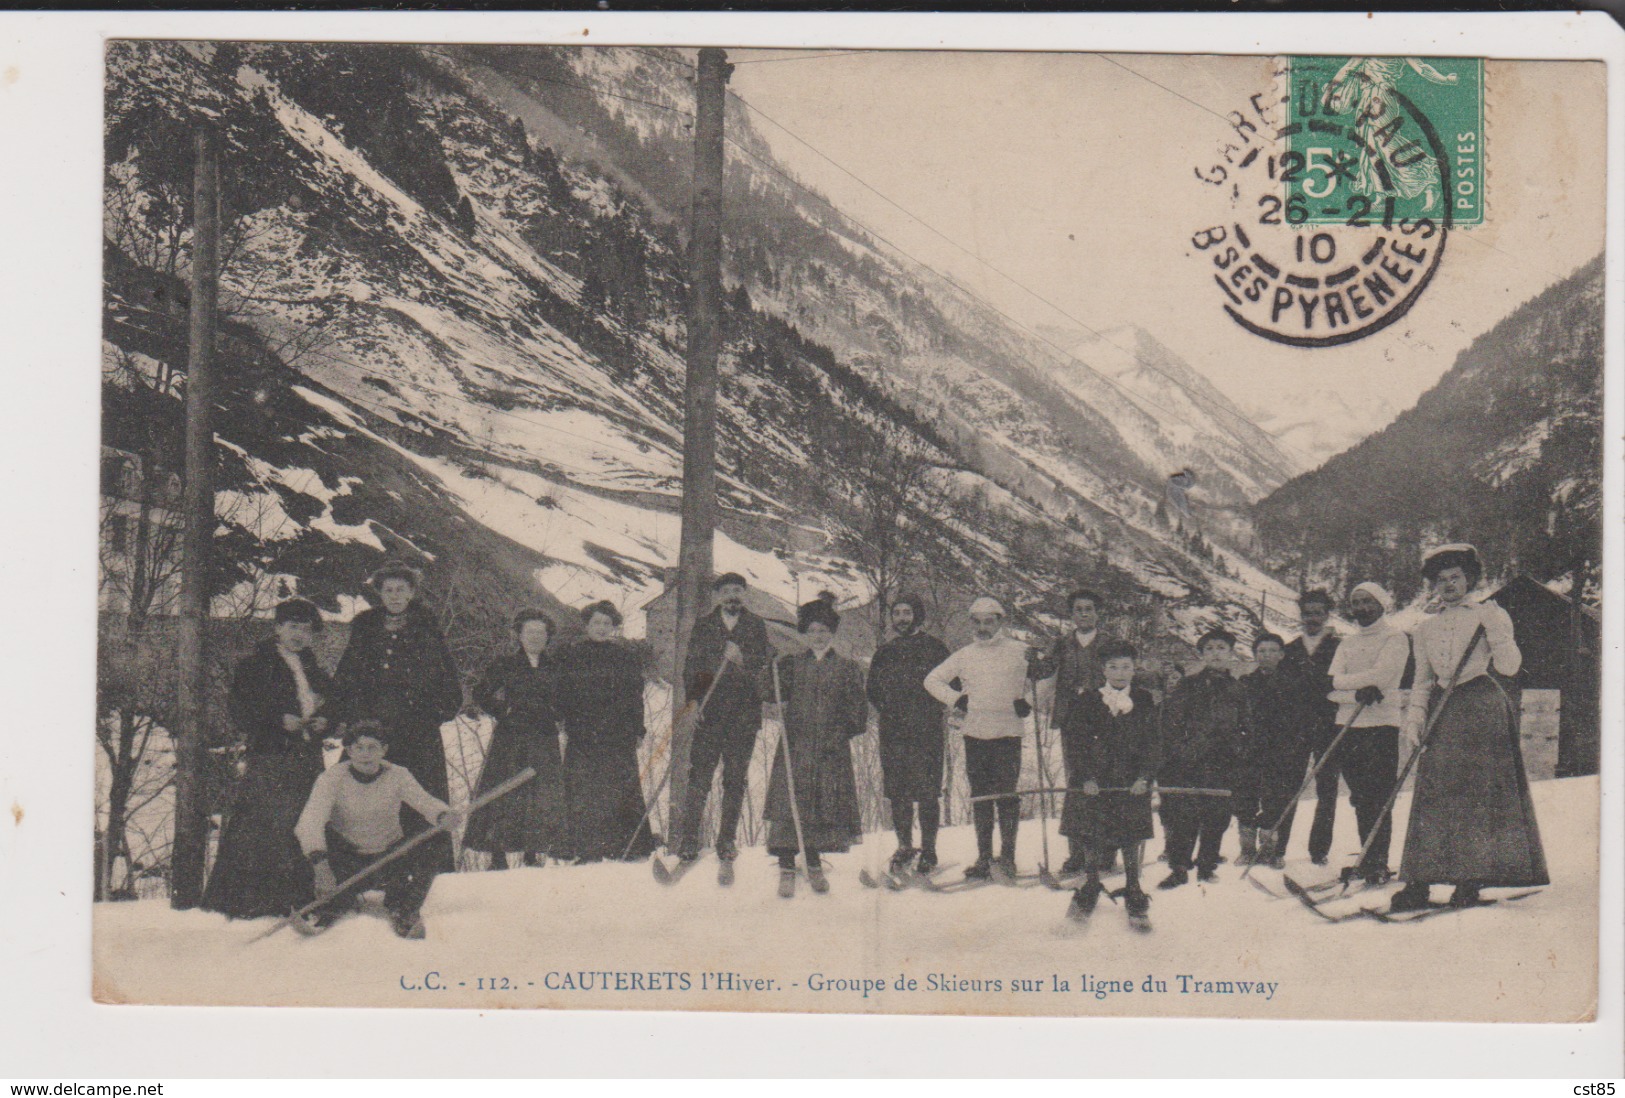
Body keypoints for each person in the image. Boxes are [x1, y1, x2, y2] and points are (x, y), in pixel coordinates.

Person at [1391, 545, 1547, 912]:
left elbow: (1509, 667)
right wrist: (1414, 718)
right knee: (1433, 789)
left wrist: (1497, 629)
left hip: (1480, 704)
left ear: (1469, 579)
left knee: (1475, 792)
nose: (1448, 585)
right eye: (1441, 579)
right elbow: (1423, 681)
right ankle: (1419, 880)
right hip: (1442, 710)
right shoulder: (1425, 628)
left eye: (1455, 577)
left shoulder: (1488, 615)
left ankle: (1469, 878)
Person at [202, 598, 332, 919]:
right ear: (277, 628)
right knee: (264, 828)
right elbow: (240, 711)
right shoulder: (255, 665)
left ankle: (303, 900)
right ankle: (254, 905)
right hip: (271, 758)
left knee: (306, 825)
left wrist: (325, 719)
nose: (299, 635)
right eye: (292, 627)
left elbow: (334, 702)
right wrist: (277, 720)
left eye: (305, 629)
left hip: (308, 760)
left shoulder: (313, 668)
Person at [330, 562, 463, 873]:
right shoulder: (364, 628)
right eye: (387, 590)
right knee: (357, 800)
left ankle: (419, 879)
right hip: (371, 732)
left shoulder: (427, 628)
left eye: (401, 589)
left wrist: (433, 714)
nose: (394, 596)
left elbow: (448, 682)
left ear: (412, 592)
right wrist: (353, 718)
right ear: (379, 594)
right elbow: (346, 676)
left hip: (417, 733)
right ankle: (353, 876)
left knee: (419, 802)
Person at [294, 720, 460, 939]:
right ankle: (328, 909)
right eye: (358, 748)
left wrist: (443, 815)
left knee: (437, 838)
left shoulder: (398, 775)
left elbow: (425, 802)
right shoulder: (332, 779)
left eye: (373, 747)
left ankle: (405, 910)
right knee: (309, 848)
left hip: (389, 858)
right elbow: (310, 822)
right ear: (349, 751)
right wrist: (321, 866)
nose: (366, 754)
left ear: (384, 750)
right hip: (347, 860)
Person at [762, 596, 868, 896]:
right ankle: (785, 863)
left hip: (829, 749)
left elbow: (858, 712)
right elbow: (769, 692)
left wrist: (840, 733)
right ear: (804, 634)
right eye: (812, 631)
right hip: (796, 745)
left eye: (823, 631)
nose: (818, 636)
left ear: (831, 633)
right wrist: (769, 667)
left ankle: (812, 861)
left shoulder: (847, 668)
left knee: (818, 804)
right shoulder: (792, 664)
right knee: (789, 798)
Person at [924, 596, 1035, 881]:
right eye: (978, 622)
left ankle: (1007, 858)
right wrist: (956, 699)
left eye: (989, 621)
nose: (983, 627)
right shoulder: (965, 654)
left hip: (1008, 732)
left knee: (1006, 796)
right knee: (981, 797)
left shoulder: (1020, 651)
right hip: (975, 733)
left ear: (1001, 622)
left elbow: (1045, 677)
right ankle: (984, 858)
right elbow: (932, 679)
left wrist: (1030, 701)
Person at [673, 573, 772, 865]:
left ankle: (726, 840)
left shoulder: (756, 625)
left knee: (735, 779)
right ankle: (690, 839)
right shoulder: (704, 626)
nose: (733, 596)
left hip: (743, 716)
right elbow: (692, 667)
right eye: (727, 591)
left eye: (738, 591)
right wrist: (695, 701)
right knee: (699, 777)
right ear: (718, 595)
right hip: (710, 715)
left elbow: (762, 669)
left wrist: (742, 659)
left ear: (745, 594)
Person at [1061, 640, 1159, 926]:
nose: (1119, 673)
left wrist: (1144, 777)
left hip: (1130, 781)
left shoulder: (1143, 700)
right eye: (1113, 667)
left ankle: (1133, 886)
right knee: (1091, 833)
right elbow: (1076, 743)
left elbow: (1153, 743)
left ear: (1134, 669)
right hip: (1095, 781)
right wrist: (1086, 778)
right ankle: (1091, 883)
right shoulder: (1087, 700)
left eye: (1126, 667)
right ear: (1103, 669)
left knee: (1130, 833)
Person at [462, 609, 565, 870]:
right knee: (507, 792)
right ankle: (498, 855)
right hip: (512, 738)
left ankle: (532, 854)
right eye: (529, 631)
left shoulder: (556, 667)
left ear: (548, 636)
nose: (535, 637)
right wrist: (503, 711)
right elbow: (481, 692)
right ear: (519, 635)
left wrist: (557, 713)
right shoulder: (505, 664)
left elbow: (567, 698)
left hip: (543, 738)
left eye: (540, 632)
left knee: (539, 794)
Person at [555, 601, 657, 862]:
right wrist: (565, 721)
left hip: (618, 735)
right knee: (584, 791)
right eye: (596, 623)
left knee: (621, 790)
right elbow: (563, 695)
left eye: (607, 624)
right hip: (584, 735)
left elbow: (635, 697)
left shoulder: (624, 657)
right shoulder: (572, 656)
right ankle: (587, 851)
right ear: (587, 625)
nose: (602, 628)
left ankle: (627, 848)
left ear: (614, 627)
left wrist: (638, 729)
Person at [1326, 582, 1411, 883]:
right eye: (1356, 602)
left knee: (1378, 795)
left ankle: (1378, 862)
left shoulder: (1395, 638)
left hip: (1381, 727)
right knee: (1360, 797)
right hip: (1347, 726)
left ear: (1381, 604)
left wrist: (1357, 685)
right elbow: (1333, 684)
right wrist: (1359, 691)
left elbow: (1384, 677)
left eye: (1367, 602)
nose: (1361, 608)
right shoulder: (1346, 643)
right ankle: (1366, 857)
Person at [1032, 587, 1118, 875]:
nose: (1084, 614)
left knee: (1105, 777)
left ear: (1098, 613)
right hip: (1072, 720)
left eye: (1089, 608)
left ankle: (1106, 850)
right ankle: (1077, 852)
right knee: (1077, 780)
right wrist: (1034, 664)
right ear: (1071, 614)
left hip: (1106, 716)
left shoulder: (1109, 642)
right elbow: (1045, 670)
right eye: (1078, 609)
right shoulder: (1062, 644)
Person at [1157, 628, 1250, 889]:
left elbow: (1247, 725)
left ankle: (1207, 865)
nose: (1215, 653)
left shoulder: (1238, 689)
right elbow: (1172, 722)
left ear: (1231, 653)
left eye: (1221, 648)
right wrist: (1182, 750)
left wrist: (1238, 749)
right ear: (1201, 654)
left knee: (1217, 814)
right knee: (1183, 814)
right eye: (1209, 649)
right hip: (1190, 762)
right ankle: (1178, 866)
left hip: (1224, 761)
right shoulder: (1188, 685)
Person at [866, 594, 951, 875]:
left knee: (927, 793)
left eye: (907, 612)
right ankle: (905, 846)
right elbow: (873, 690)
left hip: (927, 731)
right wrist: (892, 712)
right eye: (897, 613)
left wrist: (930, 710)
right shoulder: (885, 652)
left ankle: (929, 850)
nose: (902, 618)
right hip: (894, 731)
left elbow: (953, 685)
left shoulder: (936, 649)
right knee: (898, 793)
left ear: (918, 615)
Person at [1235, 633, 1310, 870]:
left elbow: (1299, 721)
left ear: (1281, 655)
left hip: (1281, 752)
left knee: (1275, 799)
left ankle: (1271, 851)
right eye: (1261, 651)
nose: (1266, 655)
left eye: (1271, 651)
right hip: (1250, 751)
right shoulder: (1245, 683)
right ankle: (1247, 850)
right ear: (1255, 655)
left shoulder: (1293, 684)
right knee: (1246, 799)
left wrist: (1291, 749)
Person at [1282, 589, 1341, 865]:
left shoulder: (1339, 647)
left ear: (1327, 615)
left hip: (1329, 726)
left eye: (1318, 613)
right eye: (1308, 613)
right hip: (1295, 728)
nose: (1313, 618)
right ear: (1301, 615)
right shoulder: (1290, 649)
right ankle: (1278, 847)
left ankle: (1319, 850)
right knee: (1288, 784)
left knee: (1326, 788)